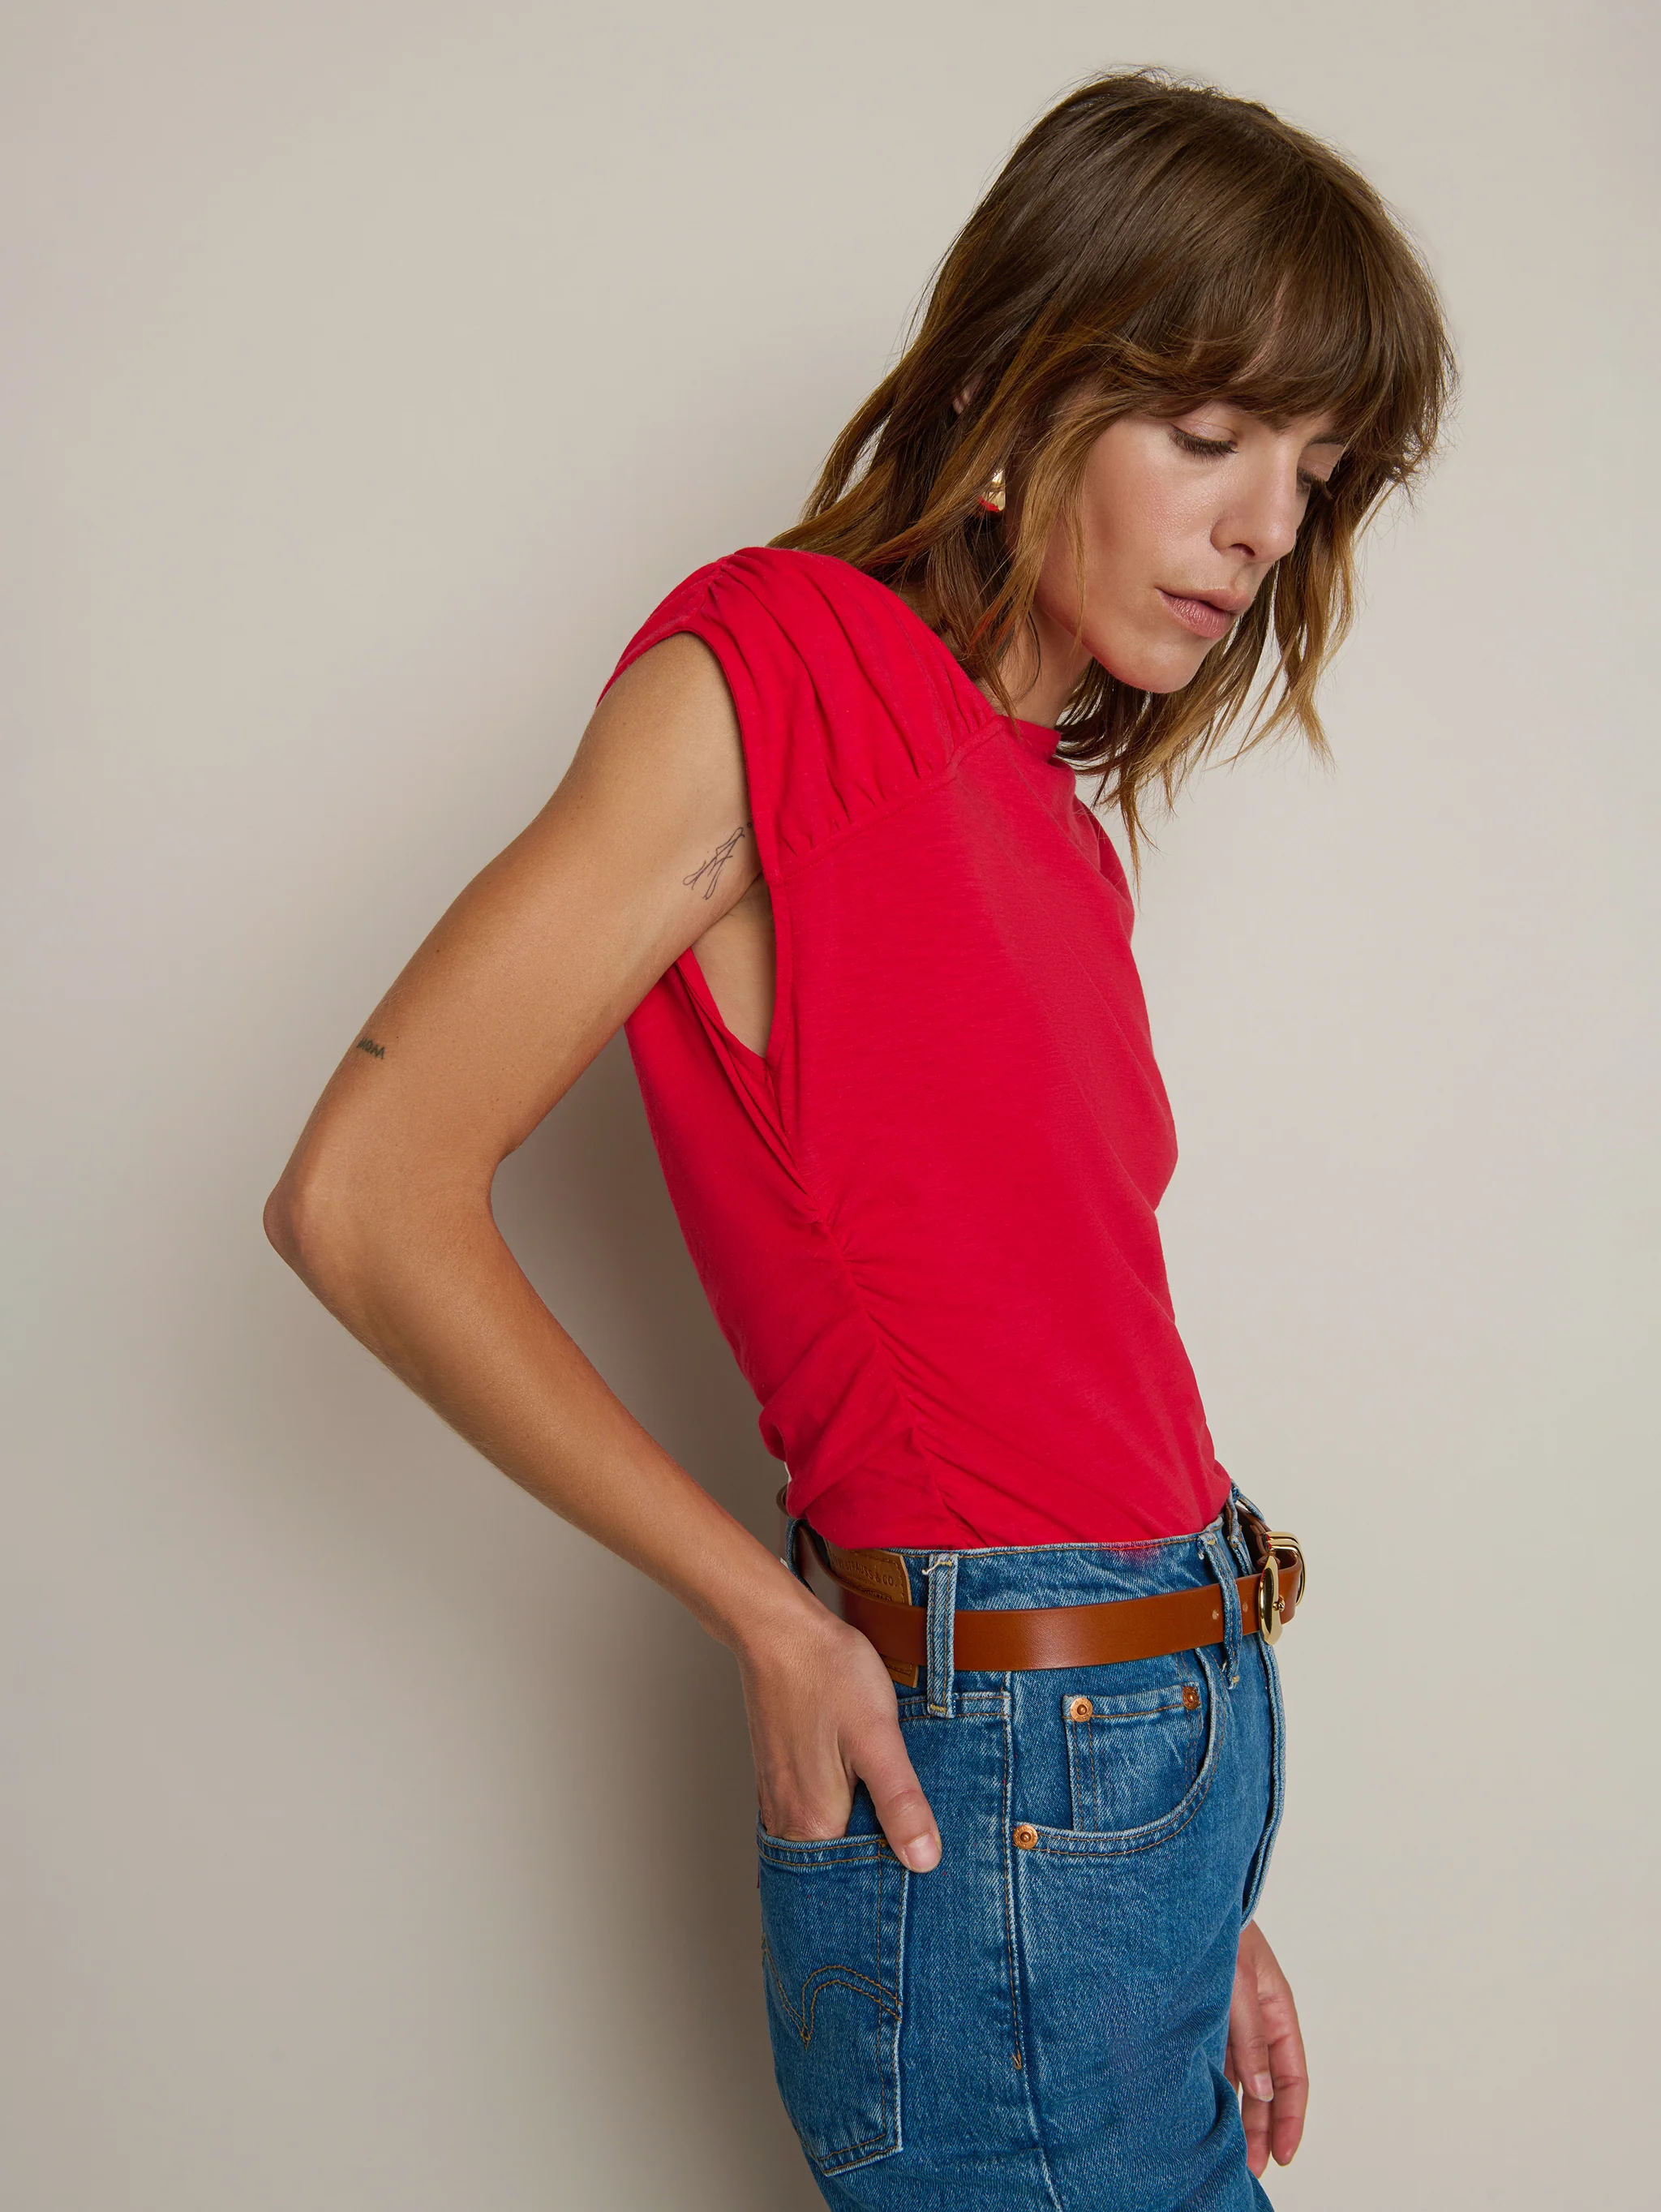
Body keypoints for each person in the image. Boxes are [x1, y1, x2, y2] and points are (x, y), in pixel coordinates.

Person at [264, 68, 1451, 2209]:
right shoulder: (777, 677)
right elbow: (363, 1195)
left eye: (1316, 471)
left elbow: (1062, 1362)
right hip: (995, 1774)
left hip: (1124, 1792)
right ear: (1026, 379)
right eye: (1211, 436)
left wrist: (1181, 1892)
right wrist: (775, 1621)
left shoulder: (1052, 819)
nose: (1268, 527)